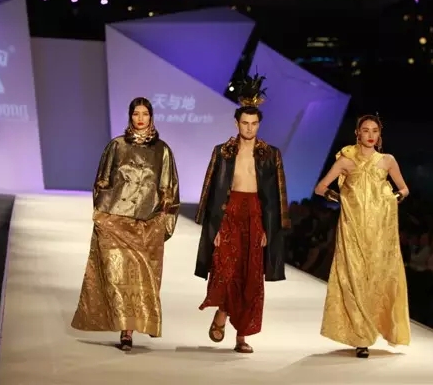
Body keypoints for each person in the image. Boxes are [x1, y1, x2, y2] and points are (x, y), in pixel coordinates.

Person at [71, 97, 180, 351]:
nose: (140, 118)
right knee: (118, 276)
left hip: (147, 224)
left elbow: (169, 188)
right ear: (130, 116)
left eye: (145, 114)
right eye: (136, 114)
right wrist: (101, 214)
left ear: (151, 116)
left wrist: (164, 220)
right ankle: (125, 330)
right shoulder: (117, 146)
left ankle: (131, 327)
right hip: (116, 221)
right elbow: (102, 181)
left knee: (141, 279)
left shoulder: (162, 150)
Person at [194, 73, 290, 354]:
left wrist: (268, 228)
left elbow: (276, 195)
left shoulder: (270, 154)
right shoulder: (223, 152)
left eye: (254, 123)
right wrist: (213, 228)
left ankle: (241, 336)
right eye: (245, 123)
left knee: (251, 275)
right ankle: (222, 312)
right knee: (225, 269)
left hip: (255, 215)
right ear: (236, 123)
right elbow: (211, 190)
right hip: (229, 213)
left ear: (259, 124)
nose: (249, 128)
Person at [314, 113, 411, 358]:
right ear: (357, 133)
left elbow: (404, 189)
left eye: (374, 131)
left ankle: (376, 328)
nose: (370, 135)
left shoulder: (387, 160)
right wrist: (342, 200)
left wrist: (392, 199)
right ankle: (361, 338)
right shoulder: (346, 161)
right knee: (354, 277)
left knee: (378, 278)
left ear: (379, 135)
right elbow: (320, 188)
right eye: (365, 130)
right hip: (352, 228)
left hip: (380, 231)